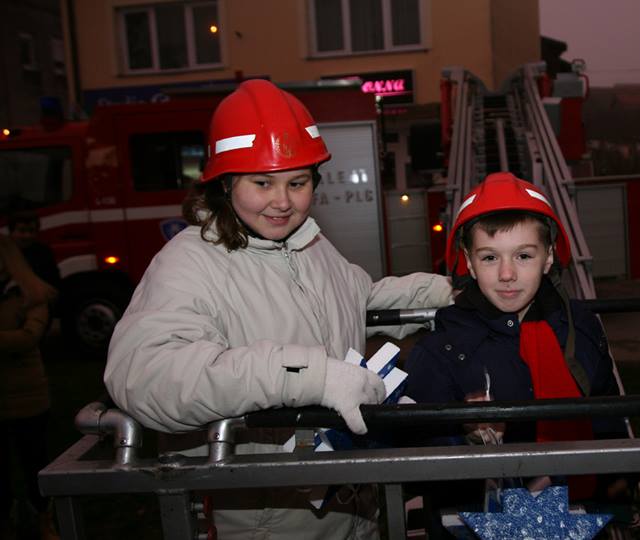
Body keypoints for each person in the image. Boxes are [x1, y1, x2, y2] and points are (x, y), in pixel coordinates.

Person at [103, 79, 452, 539]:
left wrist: (453, 293)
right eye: (262, 182)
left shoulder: (312, 246)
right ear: (225, 182)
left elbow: (359, 299)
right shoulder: (190, 262)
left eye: (297, 183)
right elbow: (146, 375)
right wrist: (308, 376)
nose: (282, 201)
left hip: (351, 516)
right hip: (268, 521)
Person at [403, 172, 627, 537]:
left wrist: (617, 482)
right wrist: (464, 438)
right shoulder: (440, 350)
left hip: (581, 517)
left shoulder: (580, 329)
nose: (507, 274)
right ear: (469, 262)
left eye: (523, 255)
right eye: (490, 257)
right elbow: (414, 460)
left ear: (549, 256)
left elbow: (608, 415)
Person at [0, 240, 58, 540]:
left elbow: (29, 336)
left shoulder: (29, 293)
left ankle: (43, 518)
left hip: (27, 395)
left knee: (34, 460)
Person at [7, 210, 61, 294]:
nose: (27, 236)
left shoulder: (44, 252)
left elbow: (54, 283)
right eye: (22, 231)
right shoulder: (4, 252)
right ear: (11, 232)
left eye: (31, 231)